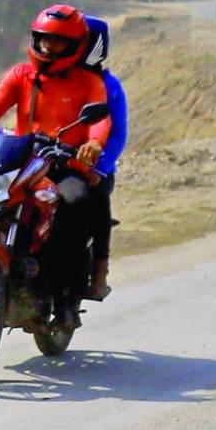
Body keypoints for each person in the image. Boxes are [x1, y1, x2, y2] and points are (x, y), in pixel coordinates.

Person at [0, 4, 113, 289]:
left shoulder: (89, 82)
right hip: (24, 163)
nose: (49, 47)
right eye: (44, 39)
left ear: (75, 45)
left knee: (75, 203)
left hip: (65, 164)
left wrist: (94, 144)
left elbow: (101, 119)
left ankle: (66, 290)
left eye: (58, 41)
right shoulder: (21, 75)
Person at [79, 15, 127, 300]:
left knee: (97, 204)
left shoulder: (109, 86)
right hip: (49, 163)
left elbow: (118, 135)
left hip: (94, 168)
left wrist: (99, 166)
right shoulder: (53, 79)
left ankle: (99, 273)